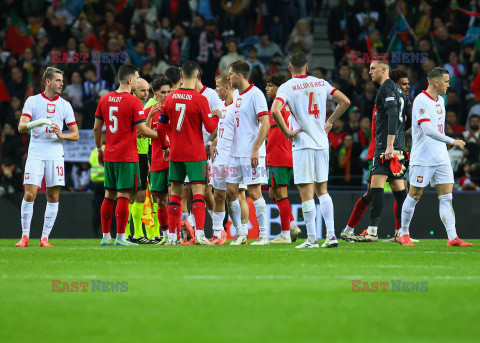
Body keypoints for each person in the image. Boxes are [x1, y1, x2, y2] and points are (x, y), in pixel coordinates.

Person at [271, 52, 350, 248]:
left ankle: (312, 239)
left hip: (303, 143)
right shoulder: (321, 82)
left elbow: (274, 110)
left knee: (305, 192)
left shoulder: (287, 87)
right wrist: (330, 121)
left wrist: (287, 131)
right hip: (322, 143)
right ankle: (331, 236)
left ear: (290, 69)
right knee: (322, 190)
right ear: (307, 67)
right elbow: (345, 101)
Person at [341, 68, 418, 243]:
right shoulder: (387, 97)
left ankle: (392, 231)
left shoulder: (391, 94)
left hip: (386, 149)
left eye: (407, 84)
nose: (406, 87)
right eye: (403, 84)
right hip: (381, 151)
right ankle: (351, 229)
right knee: (373, 193)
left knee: (389, 191)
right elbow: (382, 126)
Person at [399, 68, 472, 247]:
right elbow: (427, 129)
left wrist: (446, 144)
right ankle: (403, 232)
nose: (449, 85)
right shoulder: (420, 101)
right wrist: (451, 140)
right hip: (423, 157)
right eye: (446, 82)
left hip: (441, 157)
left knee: (447, 196)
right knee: (415, 194)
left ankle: (452, 237)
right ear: (436, 82)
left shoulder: (441, 100)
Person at [93, 65, 158, 246]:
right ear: (130, 80)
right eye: (137, 78)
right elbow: (143, 130)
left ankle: (106, 237)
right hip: (128, 155)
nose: (138, 81)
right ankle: (121, 238)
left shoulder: (104, 99)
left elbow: (97, 128)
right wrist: (163, 135)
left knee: (109, 195)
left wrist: (100, 149)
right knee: (124, 195)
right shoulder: (133, 101)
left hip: (110, 154)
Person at [15, 67, 79, 248]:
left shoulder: (65, 105)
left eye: (62, 80)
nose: (62, 83)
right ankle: (25, 237)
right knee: (30, 194)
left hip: (55, 154)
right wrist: (41, 122)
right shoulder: (33, 101)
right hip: (36, 153)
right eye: (58, 80)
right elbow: (21, 127)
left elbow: (75, 134)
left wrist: (62, 135)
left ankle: (44, 238)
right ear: (48, 82)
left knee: (53, 196)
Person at [158, 60, 220, 245]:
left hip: (176, 153)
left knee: (175, 194)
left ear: (181, 76)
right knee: (199, 193)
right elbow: (210, 127)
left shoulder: (170, 98)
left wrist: (165, 148)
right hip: (196, 155)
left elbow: (161, 127)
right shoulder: (201, 99)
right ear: (198, 76)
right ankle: (200, 234)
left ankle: (171, 236)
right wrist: (217, 116)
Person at [226, 60, 270, 246]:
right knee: (230, 191)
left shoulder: (256, 94)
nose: (228, 76)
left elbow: (265, 123)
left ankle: (264, 236)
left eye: (230, 73)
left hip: (253, 153)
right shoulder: (235, 94)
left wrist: (255, 148)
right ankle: (241, 233)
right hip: (236, 153)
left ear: (239, 75)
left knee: (254, 191)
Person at [209, 74, 250, 244]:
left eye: (218, 86)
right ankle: (218, 234)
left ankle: (241, 232)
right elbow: (224, 131)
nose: (216, 89)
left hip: (233, 157)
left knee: (232, 193)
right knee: (218, 194)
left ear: (227, 87)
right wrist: (214, 143)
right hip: (219, 156)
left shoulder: (239, 107)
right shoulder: (221, 107)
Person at [265, 73, 300, 243]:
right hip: (281, 155)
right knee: (273, 192)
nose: (267, 88)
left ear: (279, 88)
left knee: (280, 192)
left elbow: (276, 135)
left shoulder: (277, 108)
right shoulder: (286, 106)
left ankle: (286, 234)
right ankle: (292, 224)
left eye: (270, 85)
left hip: (279, 155)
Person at [127, 78, 155, 244]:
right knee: (132, 195)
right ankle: (131, 234)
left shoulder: (138, 106)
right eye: (143, 90)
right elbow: (138, 133)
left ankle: (135, 234)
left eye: (147, 90)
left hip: (143, 154)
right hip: (134, 154)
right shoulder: (133, 106)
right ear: (134, 90)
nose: (146, 94)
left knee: (138, 195)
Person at [145, 76, 172, 245]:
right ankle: (166, 235)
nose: (167, 95)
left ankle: (177, 234)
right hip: (156, 160)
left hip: (173, 159)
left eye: (169, 91)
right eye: (163, 92)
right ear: (155, 93)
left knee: (174, 196)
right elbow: (142, 133)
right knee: (160, 200)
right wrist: (150, 116)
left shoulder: (175, 108)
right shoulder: (151, 110)